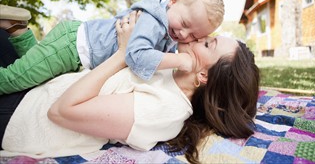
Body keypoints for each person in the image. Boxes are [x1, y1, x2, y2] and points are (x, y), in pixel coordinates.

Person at [0, 12, 259, 164]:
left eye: (208, 45)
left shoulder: (164, 111)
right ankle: (18, 32)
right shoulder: (169, 66)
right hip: (39, 88)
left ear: (203, 75)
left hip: (21, 115)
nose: (200, 37)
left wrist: (123, 53)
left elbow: (61, 111)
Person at [0, 0, 225, 94]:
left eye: (194, 35)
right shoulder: (154, 21)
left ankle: (16, 28)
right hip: (72, 47)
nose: (183, 35)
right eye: (184, 24)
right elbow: (135, 56)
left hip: (75, 45)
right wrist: (180, 61)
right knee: (12, 81)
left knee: (33, 65)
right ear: (174, 0)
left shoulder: (167, 31)